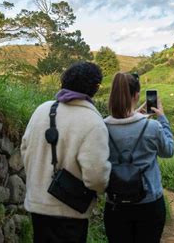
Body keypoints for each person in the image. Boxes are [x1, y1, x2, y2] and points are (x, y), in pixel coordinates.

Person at [21, 61, 111, 243]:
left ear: (65, 82)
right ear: (94, 88)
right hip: (70, 212)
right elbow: (97, 177)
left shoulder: (42, 110)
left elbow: (25, 149)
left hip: (38, 207)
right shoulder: (93, 122)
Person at [103, 73, 174, 243]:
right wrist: (162, 118)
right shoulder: (153, 126)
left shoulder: (102, 126)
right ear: (136, 95)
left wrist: (134, 114)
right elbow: (168, 151)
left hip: (115, 204)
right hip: (149, 203)